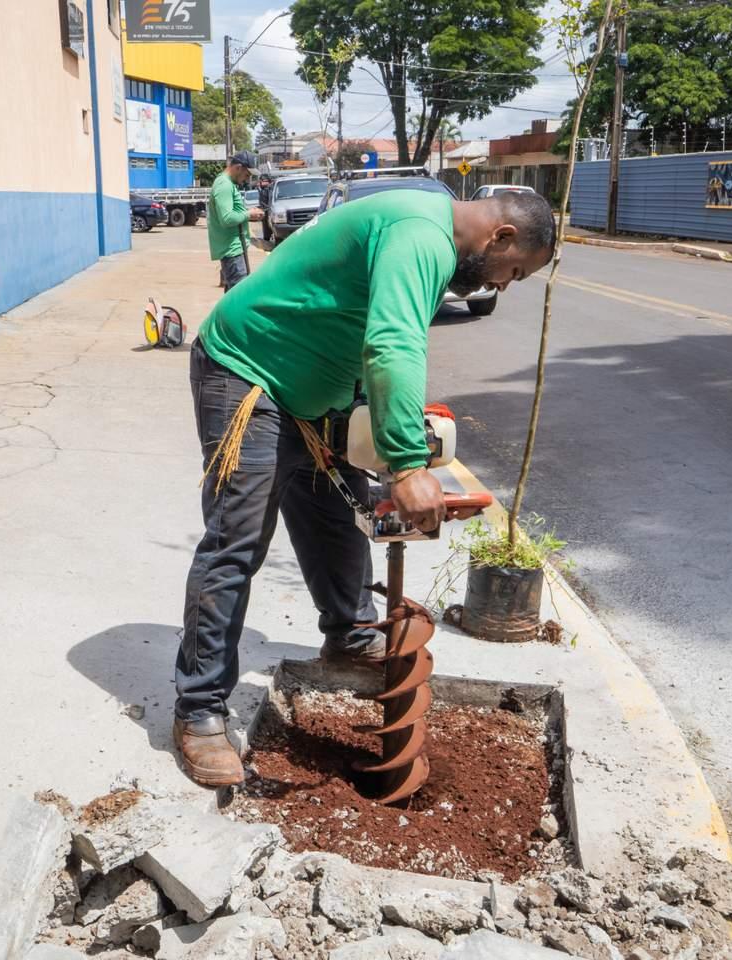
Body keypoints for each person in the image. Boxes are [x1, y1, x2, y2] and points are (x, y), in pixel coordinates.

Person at [174, 188, 559, 786]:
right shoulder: (421, 234)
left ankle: (351, 637)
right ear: (501, 237)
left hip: (313, 392)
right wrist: (407, 464)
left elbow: (353, 323)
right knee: (236, 542)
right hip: (248, 370)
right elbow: (393, 341)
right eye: (512, 273)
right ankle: (199, 711)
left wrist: (367, 423)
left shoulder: (426, 234)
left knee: (336, 510)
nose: (503, 286)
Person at [207, 151, 265, 291]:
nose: (247, 179)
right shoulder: (224, 185)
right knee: (239, 297)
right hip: (232, 253)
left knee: (234, 296)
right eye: (247, 175)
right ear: (238, 167)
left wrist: (249, 214)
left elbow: (233, 213)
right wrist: (248, 214)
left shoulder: (228, 184)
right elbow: (226, 218)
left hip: (234, 251)